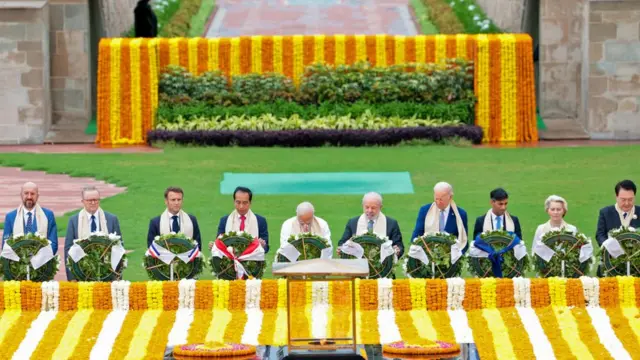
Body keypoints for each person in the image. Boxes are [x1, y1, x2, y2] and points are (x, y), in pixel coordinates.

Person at [64, 186, 123, 280]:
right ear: (83, 201)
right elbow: (68, 250)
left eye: (96, 200)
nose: (93, 203)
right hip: (82, 274)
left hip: (107, 275)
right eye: (89, 200)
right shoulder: (74, 221)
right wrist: (72, 278)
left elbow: (119, 248)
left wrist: (117, 276)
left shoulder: (111, 219)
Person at [337, 192, 403, 257]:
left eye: (373, 208)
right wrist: (341, 248)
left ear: (380, 207)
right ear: (363, 206)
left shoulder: (391, 223)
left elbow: (399, 246)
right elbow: (342, 243)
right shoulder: (353, 222)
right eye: (367, 207)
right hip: (357, 265)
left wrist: (397, 250)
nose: (369, 210)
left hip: (382, 266)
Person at [411, 182, 468, 254]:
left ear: (450, 197)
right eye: (436, 199)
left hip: (452, 257)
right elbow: (416, 236)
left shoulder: (460, 214)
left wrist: (456, 256)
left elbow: (463, 240)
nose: (438, 202)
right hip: (427, 255)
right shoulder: (425, 211)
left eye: (441, 199)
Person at [2, 182, 58, 253]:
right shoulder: (11, 217)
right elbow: (6, 246)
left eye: (32, 194)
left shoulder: (48, 215)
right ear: (21, 195)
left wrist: (39, 259)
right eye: (26, 193)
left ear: (37, 196)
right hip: (18, 262)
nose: (29, 197)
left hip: (42, 262)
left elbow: (53, 244)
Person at [214, 186, 269, 253]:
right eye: (238, 202)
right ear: (234, 202)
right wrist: (214, 246)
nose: (241, 206)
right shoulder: (224, 221)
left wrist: (263, 245)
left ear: (250, 203)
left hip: (253, 261)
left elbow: (266, 248)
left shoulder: (260, 221)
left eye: (245, 203)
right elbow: (218, 244)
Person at [532, 195, 577, 261]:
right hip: (546, 269)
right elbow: (535, 251)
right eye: (552, 209)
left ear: (564, 211)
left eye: (558, 209)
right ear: (547, 210)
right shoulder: (540, 229)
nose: (555, 212)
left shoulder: (572, 229)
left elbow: (576, 252)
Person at [596, 180, 640, 245]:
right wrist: (608, 247)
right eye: (623, 199)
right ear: (616, 197)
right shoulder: (605, 213)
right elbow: (600, 235)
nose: (627, 203)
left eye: (630, 199)